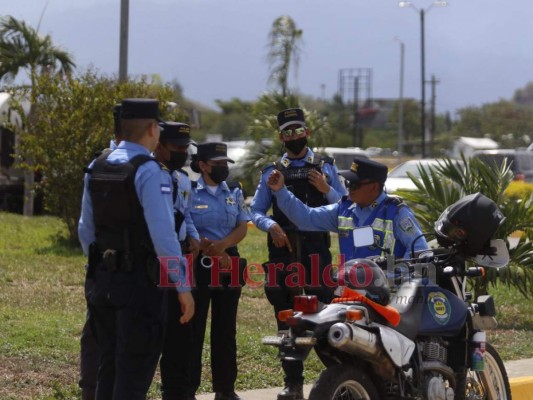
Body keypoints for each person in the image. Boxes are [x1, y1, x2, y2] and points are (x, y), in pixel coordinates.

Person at [78, 98, 194, 399]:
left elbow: (85, 229)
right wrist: (181, 287)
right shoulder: (149, 171)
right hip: (139, 287)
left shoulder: (96, 166)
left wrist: (99, 269)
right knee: (133, 372)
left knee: (108, 367)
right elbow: (164, 236)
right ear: (153, 129)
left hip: (102, 282)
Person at [250, 108, 346, 400]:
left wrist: (326, 189)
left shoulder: (325, 167)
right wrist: (271, 225)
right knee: (286, 314)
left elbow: (346, 206)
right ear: (281, 137)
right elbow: (255, 210)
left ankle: (343, 379)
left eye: (298, 131)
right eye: (287, 133)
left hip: (316, 247)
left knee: (327, 311)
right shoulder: (273, 171)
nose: (293, 137)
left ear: (307, 133)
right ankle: (292, 384)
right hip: (284, 247)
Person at [267, 156, 429, 261]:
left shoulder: (397, 213)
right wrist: (281, 191)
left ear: (374, 187)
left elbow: (420, 251)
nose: (349, 188)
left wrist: (395, 278)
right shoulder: (344, 210)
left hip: (389, 298)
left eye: (355, 184)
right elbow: (305, 218)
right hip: (351, 293)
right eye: (348, 183)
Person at [188, 142, 250, 400]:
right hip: (199, 262)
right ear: (202, 165)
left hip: (228, 263)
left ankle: (225, 389)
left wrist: (223, 247)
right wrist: (211, 250)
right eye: (218, 164)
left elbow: (242, 226)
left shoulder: (234, 191)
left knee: (225, 330)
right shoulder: (190, 191)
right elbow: (187, 224)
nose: (223, 168)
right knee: (194, 328)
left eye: (226, 163)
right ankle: (187, 388)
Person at [79, 103, 122, 400]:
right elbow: (86, 225)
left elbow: (85, 225)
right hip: (109, 267)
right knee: (98, 332)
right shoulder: (101, 164)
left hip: (117, 265)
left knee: (112, 333)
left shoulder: (101, 164)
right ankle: (92, 390)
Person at [154, 121, 200, 400]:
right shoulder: (149, 175)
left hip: (182, 259)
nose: (182, 152)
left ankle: (177, 391)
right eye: (176, 147)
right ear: (159, 146)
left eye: (185, 147)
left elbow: (188, 212)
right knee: (155, 328)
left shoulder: (182, 179)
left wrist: (193, 236)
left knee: (182, 330)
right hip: (157, 260)